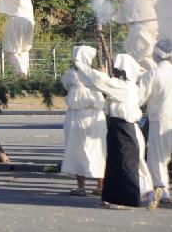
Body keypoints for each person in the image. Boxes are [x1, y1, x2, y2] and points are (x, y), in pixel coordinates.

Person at [74, 50, 152, 207]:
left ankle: (129, 198)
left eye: (116, 71)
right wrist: (99, 74)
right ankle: (114, 197)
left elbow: (98, 81)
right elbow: (97, 83)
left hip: (124, 128)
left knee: (125, 164)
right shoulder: (124, 86)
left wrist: (81, 65)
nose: (114, 73)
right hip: (119, 127)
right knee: (116, 164)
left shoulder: (124, 87)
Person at [61, 46, 106, 196]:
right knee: (91, 149)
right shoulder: (97, 75)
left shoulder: (72, 75)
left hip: (83, 116)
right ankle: (96, 185)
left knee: (85, 150)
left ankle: (86, 186)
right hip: (89, 116)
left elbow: (65, 86)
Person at [103, 0, 158, 70]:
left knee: (136, 55)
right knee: (148, 54)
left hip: (141, 23)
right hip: (153, 21)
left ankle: (156, 74)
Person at [140, 39, 172, 207]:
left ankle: (163, 188)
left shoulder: (153, 73)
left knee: (158, 157)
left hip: (160, 119)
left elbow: (140, 97)